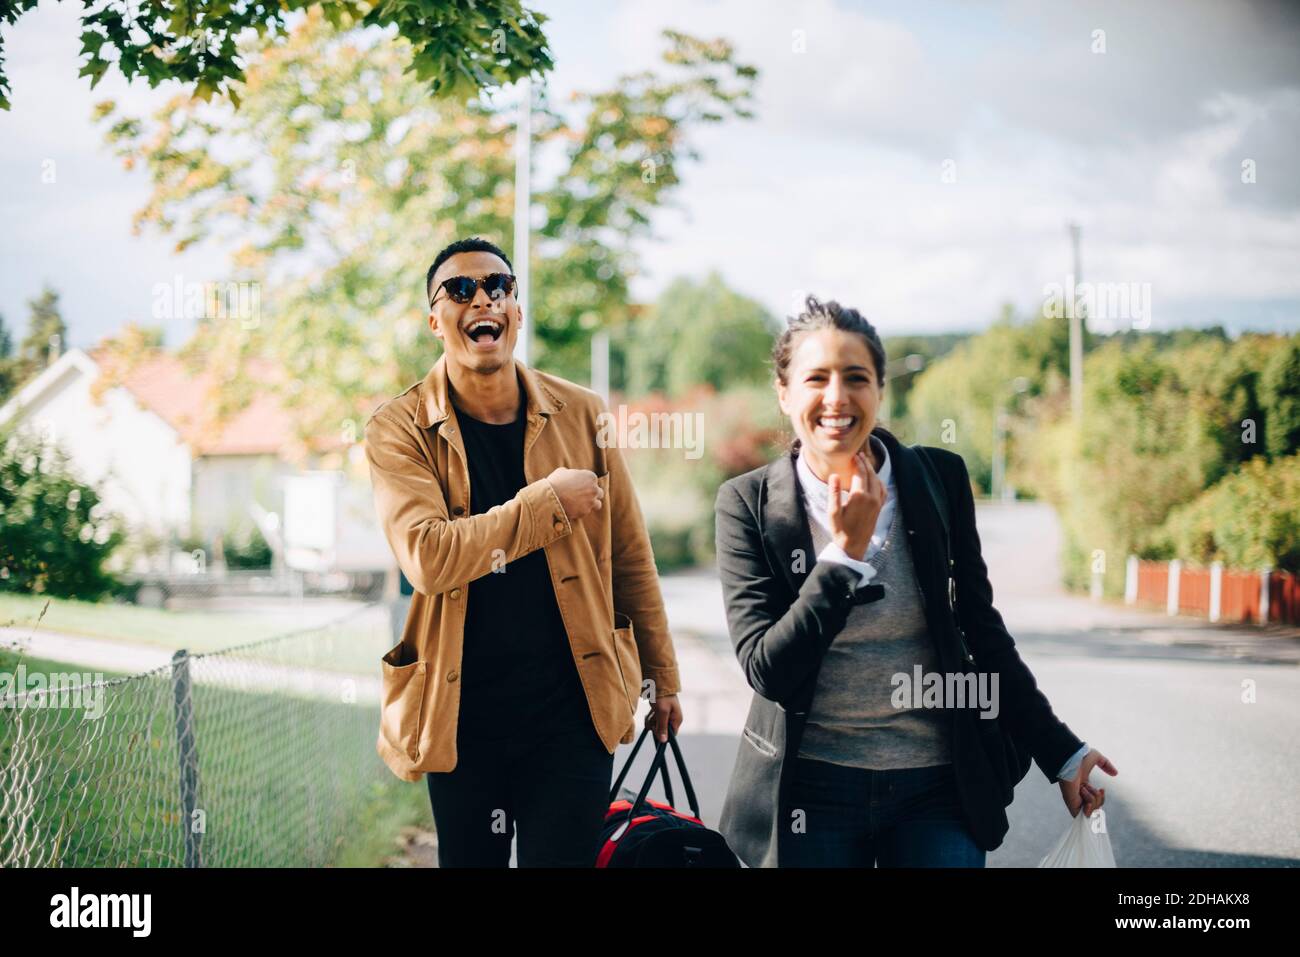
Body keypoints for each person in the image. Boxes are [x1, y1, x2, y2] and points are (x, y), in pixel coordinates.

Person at [714, 295, 1117, 868]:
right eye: (816, 378)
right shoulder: (747, 505)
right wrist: (844, 557)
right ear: (784, 393)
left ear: (880, 390)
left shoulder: (938, 479)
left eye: (857, 377)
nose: (836, 397)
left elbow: (982, 631)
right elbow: (768, 669)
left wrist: (1063, 754)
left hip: (938, 787)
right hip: (810, 792)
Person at [363, 237, 683, 867]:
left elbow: (628, 556)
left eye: (499, 287)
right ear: (435, 320)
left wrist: (660, 675)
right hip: (461, 719)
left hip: (574, 712)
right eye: (460, 290)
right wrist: (548, 505)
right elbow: (428, 557)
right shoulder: (399, 427)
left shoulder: (583, 413)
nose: (483, 298)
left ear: (516, 310)